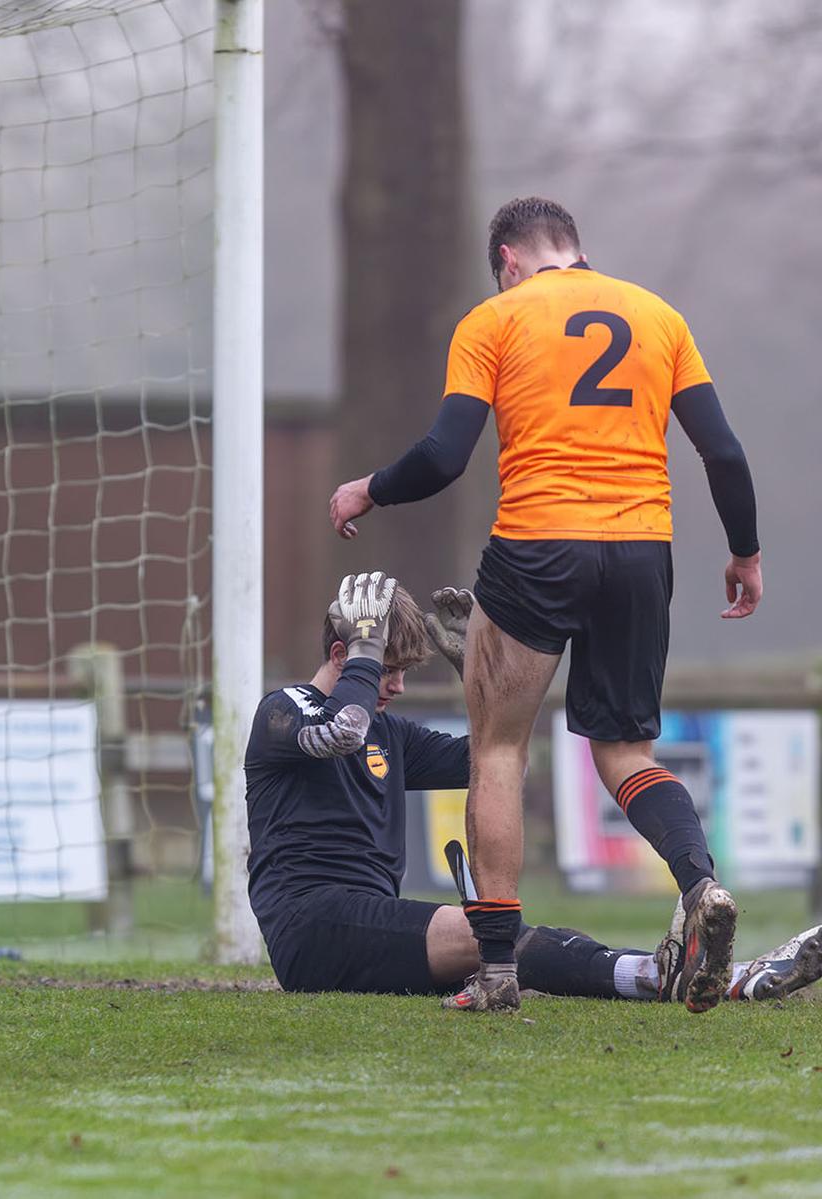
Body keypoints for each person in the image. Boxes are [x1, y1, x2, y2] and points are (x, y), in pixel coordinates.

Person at [326, 197, 764, 1013]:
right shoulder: (658, 315)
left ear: (507, 260)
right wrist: (744, 548)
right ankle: (701, 885)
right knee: (625, 752)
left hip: (538, 543)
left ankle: (495, 971)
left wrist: (367, 490)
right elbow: (724, 450)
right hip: (641, 550)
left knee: (496, 746)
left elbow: (443, 457)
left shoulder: (495, 318)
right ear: (576, 249)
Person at [248, 572, 822, 1005]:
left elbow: (500, 762)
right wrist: (366, 654)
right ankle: (656, 976)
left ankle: (689, 976)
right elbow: (338, 732)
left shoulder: (389, 732)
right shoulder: (285, 709)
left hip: (369, 918)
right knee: (490, 935)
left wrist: (469, 671)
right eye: (385, 669)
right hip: (312, 926)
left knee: (500, 938)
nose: (395, 685)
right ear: (342, 656)